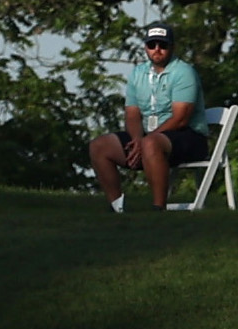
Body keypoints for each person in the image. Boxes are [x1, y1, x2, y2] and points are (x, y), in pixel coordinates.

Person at [87, 25, 206, 213]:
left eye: (163, 45)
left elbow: (181, 118)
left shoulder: (184, 72)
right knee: (99, 146)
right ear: (145, 47)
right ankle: (116, 207)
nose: (157, 49)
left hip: (187, 137)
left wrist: (143, 141)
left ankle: (158, 208)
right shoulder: (138, 73)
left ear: (172, 47)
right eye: (152, 44)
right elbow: (132, 113)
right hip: (149, 136)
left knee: (151, 143)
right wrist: (136, 139)